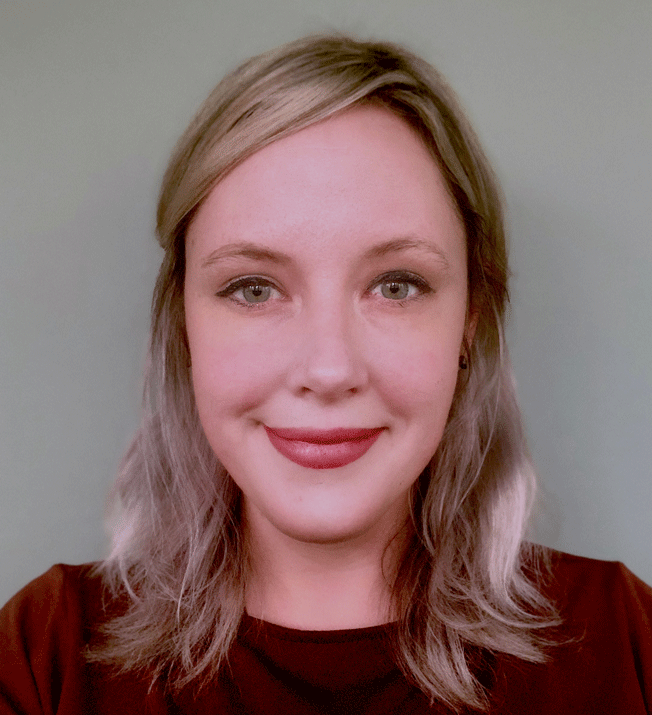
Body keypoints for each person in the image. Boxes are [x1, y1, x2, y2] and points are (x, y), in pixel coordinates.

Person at [1, 34, 650, 715]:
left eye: (397, 285)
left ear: (470, 322)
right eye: (254, 288)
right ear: (183, 325)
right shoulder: (46, 656)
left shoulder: (625, 643)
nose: (329, 369)